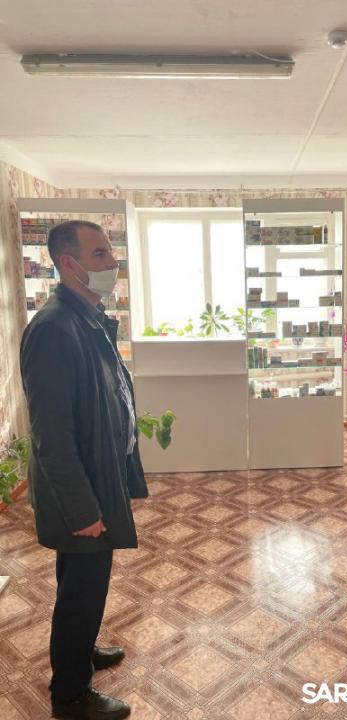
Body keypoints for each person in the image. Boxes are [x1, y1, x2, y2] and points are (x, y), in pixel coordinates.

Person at [20, 220, 148, 720]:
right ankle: (70, 694)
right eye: (99, 255)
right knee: (84, 587)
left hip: (97, 476)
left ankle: (81, 646)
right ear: (68, 264)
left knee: (81, 581)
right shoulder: (54, 329)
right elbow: (51, 435)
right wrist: (82, 509)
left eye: (110, 253)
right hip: (82, 491)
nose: (111, 263)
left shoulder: (86, 317)